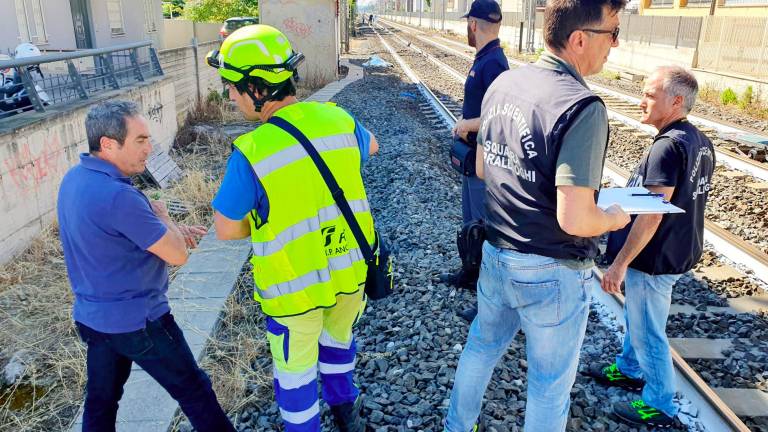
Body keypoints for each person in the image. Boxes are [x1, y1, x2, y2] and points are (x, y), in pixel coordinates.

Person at [443, 0, 630, 429]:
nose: (615, 46)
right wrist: (615, 217)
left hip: (496, 253)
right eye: (613, 34)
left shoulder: (505, 84)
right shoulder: (583, 107)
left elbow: (482, 168)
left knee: (481, 348)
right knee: (548, 385)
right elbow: (575, 220)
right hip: (551, 270)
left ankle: (457, 426)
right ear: (580, 39)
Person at [206, 25, 379, 432]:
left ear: (256, 87)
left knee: (296, 374)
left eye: (232, 85)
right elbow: (370, 147)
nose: (229, 94)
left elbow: (227, 230)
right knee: (338, 343)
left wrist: (275, 214)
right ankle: (345, 412)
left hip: (294, 289)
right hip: (350, 271)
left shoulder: (252, 151)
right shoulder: (336, 117)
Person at [57, 100, 234, 432]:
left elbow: (108, 238)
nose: (150, 149)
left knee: (100, 404)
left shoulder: (74, 180)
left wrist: (162, 230)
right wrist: (164, 219)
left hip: (94, 321)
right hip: (140, 323)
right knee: (195, 392)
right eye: (140, 140)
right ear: (108, 144)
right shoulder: (119, 196)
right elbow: (177, 255)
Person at [586, 66, 715, 428]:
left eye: (650, 94)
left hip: (654, 257)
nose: (642, 100)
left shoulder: (667, 146)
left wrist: (620, 263)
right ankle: (629, 368)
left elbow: (653, 214)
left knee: (648, 329)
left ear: (676, 101)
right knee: (639, 316)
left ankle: (660, 403)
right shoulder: (699, 141)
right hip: (678, 249)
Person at [439, 0, 509, 323]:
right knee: (471, 221)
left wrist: (468, 124)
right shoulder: (485, 58)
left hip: (486, 160)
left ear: (473, 25)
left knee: (483, 226)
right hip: (474, 156)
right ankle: (470, 273)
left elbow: (500, 114)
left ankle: (487, 298)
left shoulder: (493, 62)